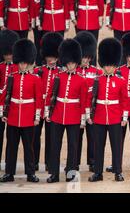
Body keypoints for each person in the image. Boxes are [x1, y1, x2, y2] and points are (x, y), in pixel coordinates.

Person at [0, 39, 42, 183]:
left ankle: (30, 173)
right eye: (21, 62)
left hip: (28, 117)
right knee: (11, 147)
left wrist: (37, 117)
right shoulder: (12, 78)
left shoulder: (35, 79)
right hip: (12, 116)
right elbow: (4, 96)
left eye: (25, 63)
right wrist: (3, 113)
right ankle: (9, 173)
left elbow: (38, 100)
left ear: (29, 62)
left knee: (28, 147)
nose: (23, 65)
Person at [87, 38, 129, 182]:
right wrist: (89, 115)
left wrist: (124, 118)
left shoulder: (121, 81)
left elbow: (125, 101)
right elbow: (91, 99)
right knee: (98, 146)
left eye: (111, 65)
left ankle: (118, 172)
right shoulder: (97, 80)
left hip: (115, 117)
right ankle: (98, 172)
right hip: (99, 117)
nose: (108, 68)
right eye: (106, 65)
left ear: (115, 65)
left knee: (116, 146)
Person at [46, 39, 86, 183]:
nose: (70, 65)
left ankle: (70, 173)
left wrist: (83, 119)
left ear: (76, 63)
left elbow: (84, 101)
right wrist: (47, 113)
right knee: (55, 145)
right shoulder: (58, 77)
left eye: (72, 63)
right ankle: (54, 173)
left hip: (74, 116)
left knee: (73, 146)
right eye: (68, 63)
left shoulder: (82, 80)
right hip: (57, 114)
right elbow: (51, 96)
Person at [106, 33, 130, 173]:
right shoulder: (118, 71)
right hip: (120, 110)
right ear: (126, 55)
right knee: (117, 140)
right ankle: (116, 164)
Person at [33, 32, 64, 172]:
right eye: (49, 56)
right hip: (38, 108)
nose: (51, 59)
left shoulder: (61, 72)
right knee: (35, 136)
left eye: (54, 56)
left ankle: (50, 163)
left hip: (53, 108)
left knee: (52, 138)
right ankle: (33, 163)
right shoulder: (38, 71)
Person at [74, 31, 101, 172]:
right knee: (76, 138)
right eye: (83, 57)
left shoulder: (97, 72)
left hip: (92, 109)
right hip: (77, 109)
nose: (85, 60)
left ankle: (92, 161)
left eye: (87, 57)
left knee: (93, 137)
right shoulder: (74, 70)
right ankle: (75, 162)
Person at [0, 30, 19, 165]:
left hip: (13, 107)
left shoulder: (17, 68)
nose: (8, 56)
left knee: (12, 139)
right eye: (6, 54)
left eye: (10, 54)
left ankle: (9, 166)